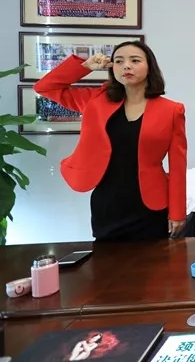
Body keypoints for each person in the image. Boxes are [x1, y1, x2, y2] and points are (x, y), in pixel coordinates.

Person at [33, 41, 187, 242]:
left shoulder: (171, 110)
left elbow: (178, 167)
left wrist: (177, 212)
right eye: (119, 61)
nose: (126, 66)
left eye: (135, 60)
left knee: (153, 261)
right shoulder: (96, 100)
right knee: (106, 261)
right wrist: (85, 66)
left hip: (151, 205)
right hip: (107, 204)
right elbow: (44, 87)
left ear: (150, 67)